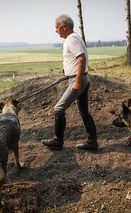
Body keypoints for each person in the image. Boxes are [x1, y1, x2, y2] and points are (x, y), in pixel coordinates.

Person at [41, 14, 98, 151]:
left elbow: (81, 59)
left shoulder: (71, 39)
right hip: (81, 78)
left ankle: (58, 140)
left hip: (78, 79)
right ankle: (92, 142)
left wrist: (76, 82)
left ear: (64, 27)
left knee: (58, 109)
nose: (56, 30)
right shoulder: (74, 38)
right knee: (84, 112)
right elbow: (75, 60)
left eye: (57, 27)